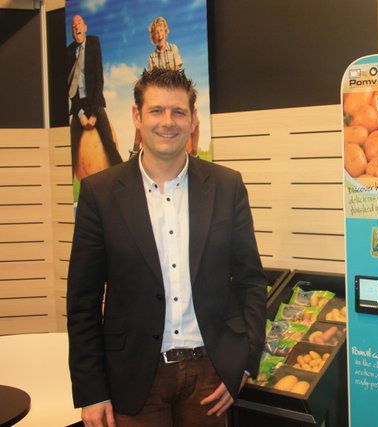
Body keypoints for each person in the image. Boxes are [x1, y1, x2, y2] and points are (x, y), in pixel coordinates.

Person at [67, 68, 267, 426]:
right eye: (156, 110)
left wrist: (246, 362)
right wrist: (92, 391)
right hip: (133, 378)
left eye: (178, 112)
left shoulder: (227, 186)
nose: (167, 122)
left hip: (210, 375)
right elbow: (83, 302)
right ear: (137, 116)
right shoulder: (100, 194)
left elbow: (251, 280)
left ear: (192, 119)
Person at [130, 17, 200, 159]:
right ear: (153, 37)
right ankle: (135, 150)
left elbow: (178, 72)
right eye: (156, 32)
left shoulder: (173, 49)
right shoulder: (152, 57)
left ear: (166, 32)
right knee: (142, 119)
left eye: (161, 31)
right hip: (159, 95)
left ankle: (194, 152)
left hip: (175, 92)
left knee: (196, 122)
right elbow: (152, 80)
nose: (159, 34)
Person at [67, 15, 123, 172]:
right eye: (73, 26)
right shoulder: (69, 51)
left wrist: (94, 114)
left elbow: (99, 80)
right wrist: (80, 114)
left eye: (79, 24)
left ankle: (126, 180)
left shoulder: (93, 43)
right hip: (79, 106)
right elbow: (70, 88)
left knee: (110, 146)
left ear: (85, 28)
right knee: (71, 152)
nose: (76, 27)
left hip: (94, 103)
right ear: (72, 32)